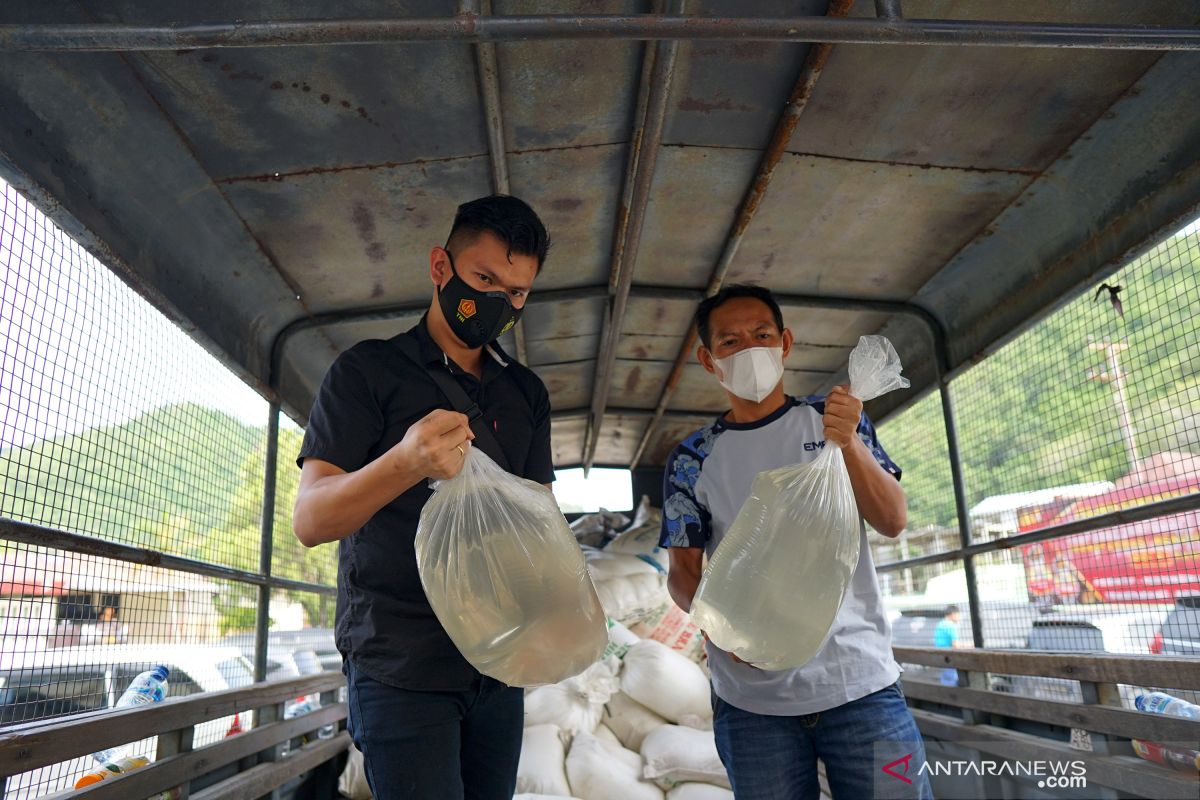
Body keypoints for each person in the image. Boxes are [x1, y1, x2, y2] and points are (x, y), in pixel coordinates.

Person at [292, 195, 554, 800]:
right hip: (401, 661)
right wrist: (406, 462)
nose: (499, 303)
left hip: (495, 662)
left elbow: (538, 517)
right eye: (485, 279)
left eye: (516, 293)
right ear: (441, 266)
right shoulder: (367, 373)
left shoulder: (524, 394)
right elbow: (311, 519)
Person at [660, 284, 932, 800]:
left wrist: (848, 441)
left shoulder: (832, 419)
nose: (750, 351)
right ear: (708, 358)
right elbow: (683, 574)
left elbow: (892, 519)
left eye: (761, 336)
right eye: (731, 342)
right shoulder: (694, 457)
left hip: (860, 687)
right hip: (752, 706)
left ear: (785, 342)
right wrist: (723, 630)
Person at [934, 605, 963, 686]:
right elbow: (955, 645)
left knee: (945, 680)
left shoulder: (940, 624)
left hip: (940, 656)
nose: (959, 617)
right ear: (953, 614)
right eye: (958, 614)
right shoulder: (951, 626)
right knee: (953, 681)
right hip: (950, 658)